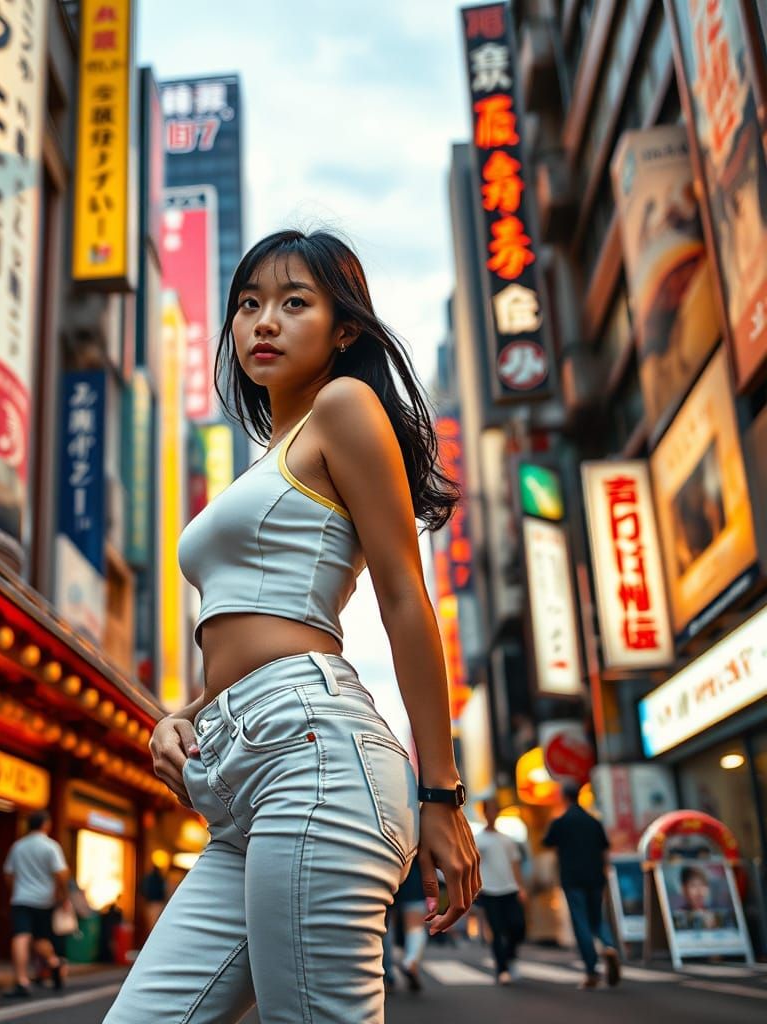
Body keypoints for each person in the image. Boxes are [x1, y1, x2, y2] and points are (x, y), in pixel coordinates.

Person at [103, 229, 480, 1024]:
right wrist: (185, 715)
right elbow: (255, 623)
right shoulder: (267, 455)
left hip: (312, 756)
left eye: (292, 303)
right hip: (239, 774)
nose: (262, 322)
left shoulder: (344, 408)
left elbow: (405, 596)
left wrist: (441, 792)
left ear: (344, 329)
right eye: (248, 305)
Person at [542, 783, 620, 990]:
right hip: (595, 877)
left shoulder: (561, 822)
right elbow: (605, 851)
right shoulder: (594, 822)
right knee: (597, 918)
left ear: (564, 797)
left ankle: (591, 971)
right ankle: (609, 946)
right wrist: (604, 873)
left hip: (573, 878)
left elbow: (547, 842)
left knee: (581, 922)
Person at [2, 809, 70, 999]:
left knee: (21, 936)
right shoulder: (50, 846)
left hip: (21, 897)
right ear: (45, 824)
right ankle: (54, 962)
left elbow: (8, 874)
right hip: (44, 899)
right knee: (41, 938)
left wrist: (16, 889)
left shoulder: (18, 846)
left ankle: (21, 980)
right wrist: (63, 896)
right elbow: (62, 874)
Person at [475, 798, 526, 985]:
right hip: (489, 891)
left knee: (518, 927)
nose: (492, 814)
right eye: (489, 810)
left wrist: (521, 886)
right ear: (485, 813)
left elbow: (515, 864)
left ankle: (510, 956)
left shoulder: (507, 840)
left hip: (510, 889)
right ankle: (502, 969)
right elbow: (474, 865)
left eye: (495, 810)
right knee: (496, 930)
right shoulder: (478, 840)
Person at [391, 857, 428, 990]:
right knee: (415, 927)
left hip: (386, 872)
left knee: (386, 926)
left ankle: (388, 973)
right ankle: (410, 963)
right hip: (413, 877)